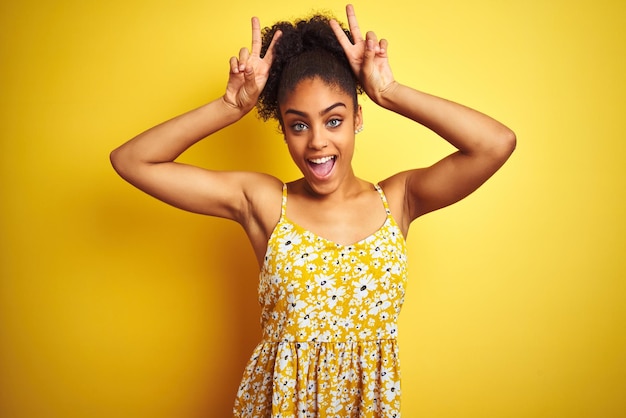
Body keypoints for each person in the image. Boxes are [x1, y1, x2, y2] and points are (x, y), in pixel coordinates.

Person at [110, 4, 515, 417]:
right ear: (283, 130)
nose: (317, 142)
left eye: (333, 120)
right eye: (299, 125)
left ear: (358, 117)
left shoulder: (398, 200)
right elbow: (132, 161)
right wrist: (229, 107)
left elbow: (495, 143)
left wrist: (389, 92)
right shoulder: (265, 203)